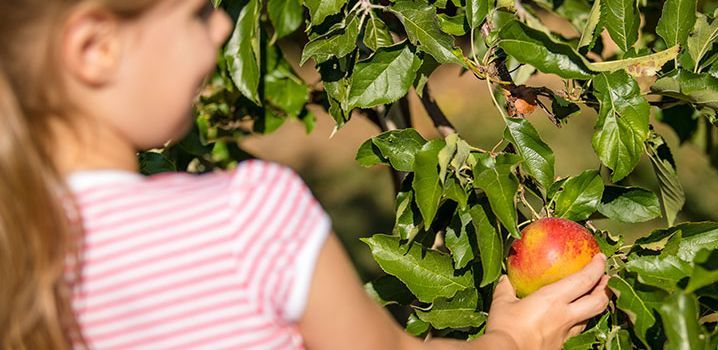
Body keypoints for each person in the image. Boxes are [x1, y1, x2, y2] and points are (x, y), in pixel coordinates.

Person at [0, 0, 611, 349]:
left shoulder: (19, 249)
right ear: (95, 48)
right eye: (194, 14)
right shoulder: (245, 219)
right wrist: (514, 338)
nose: (221, 27)